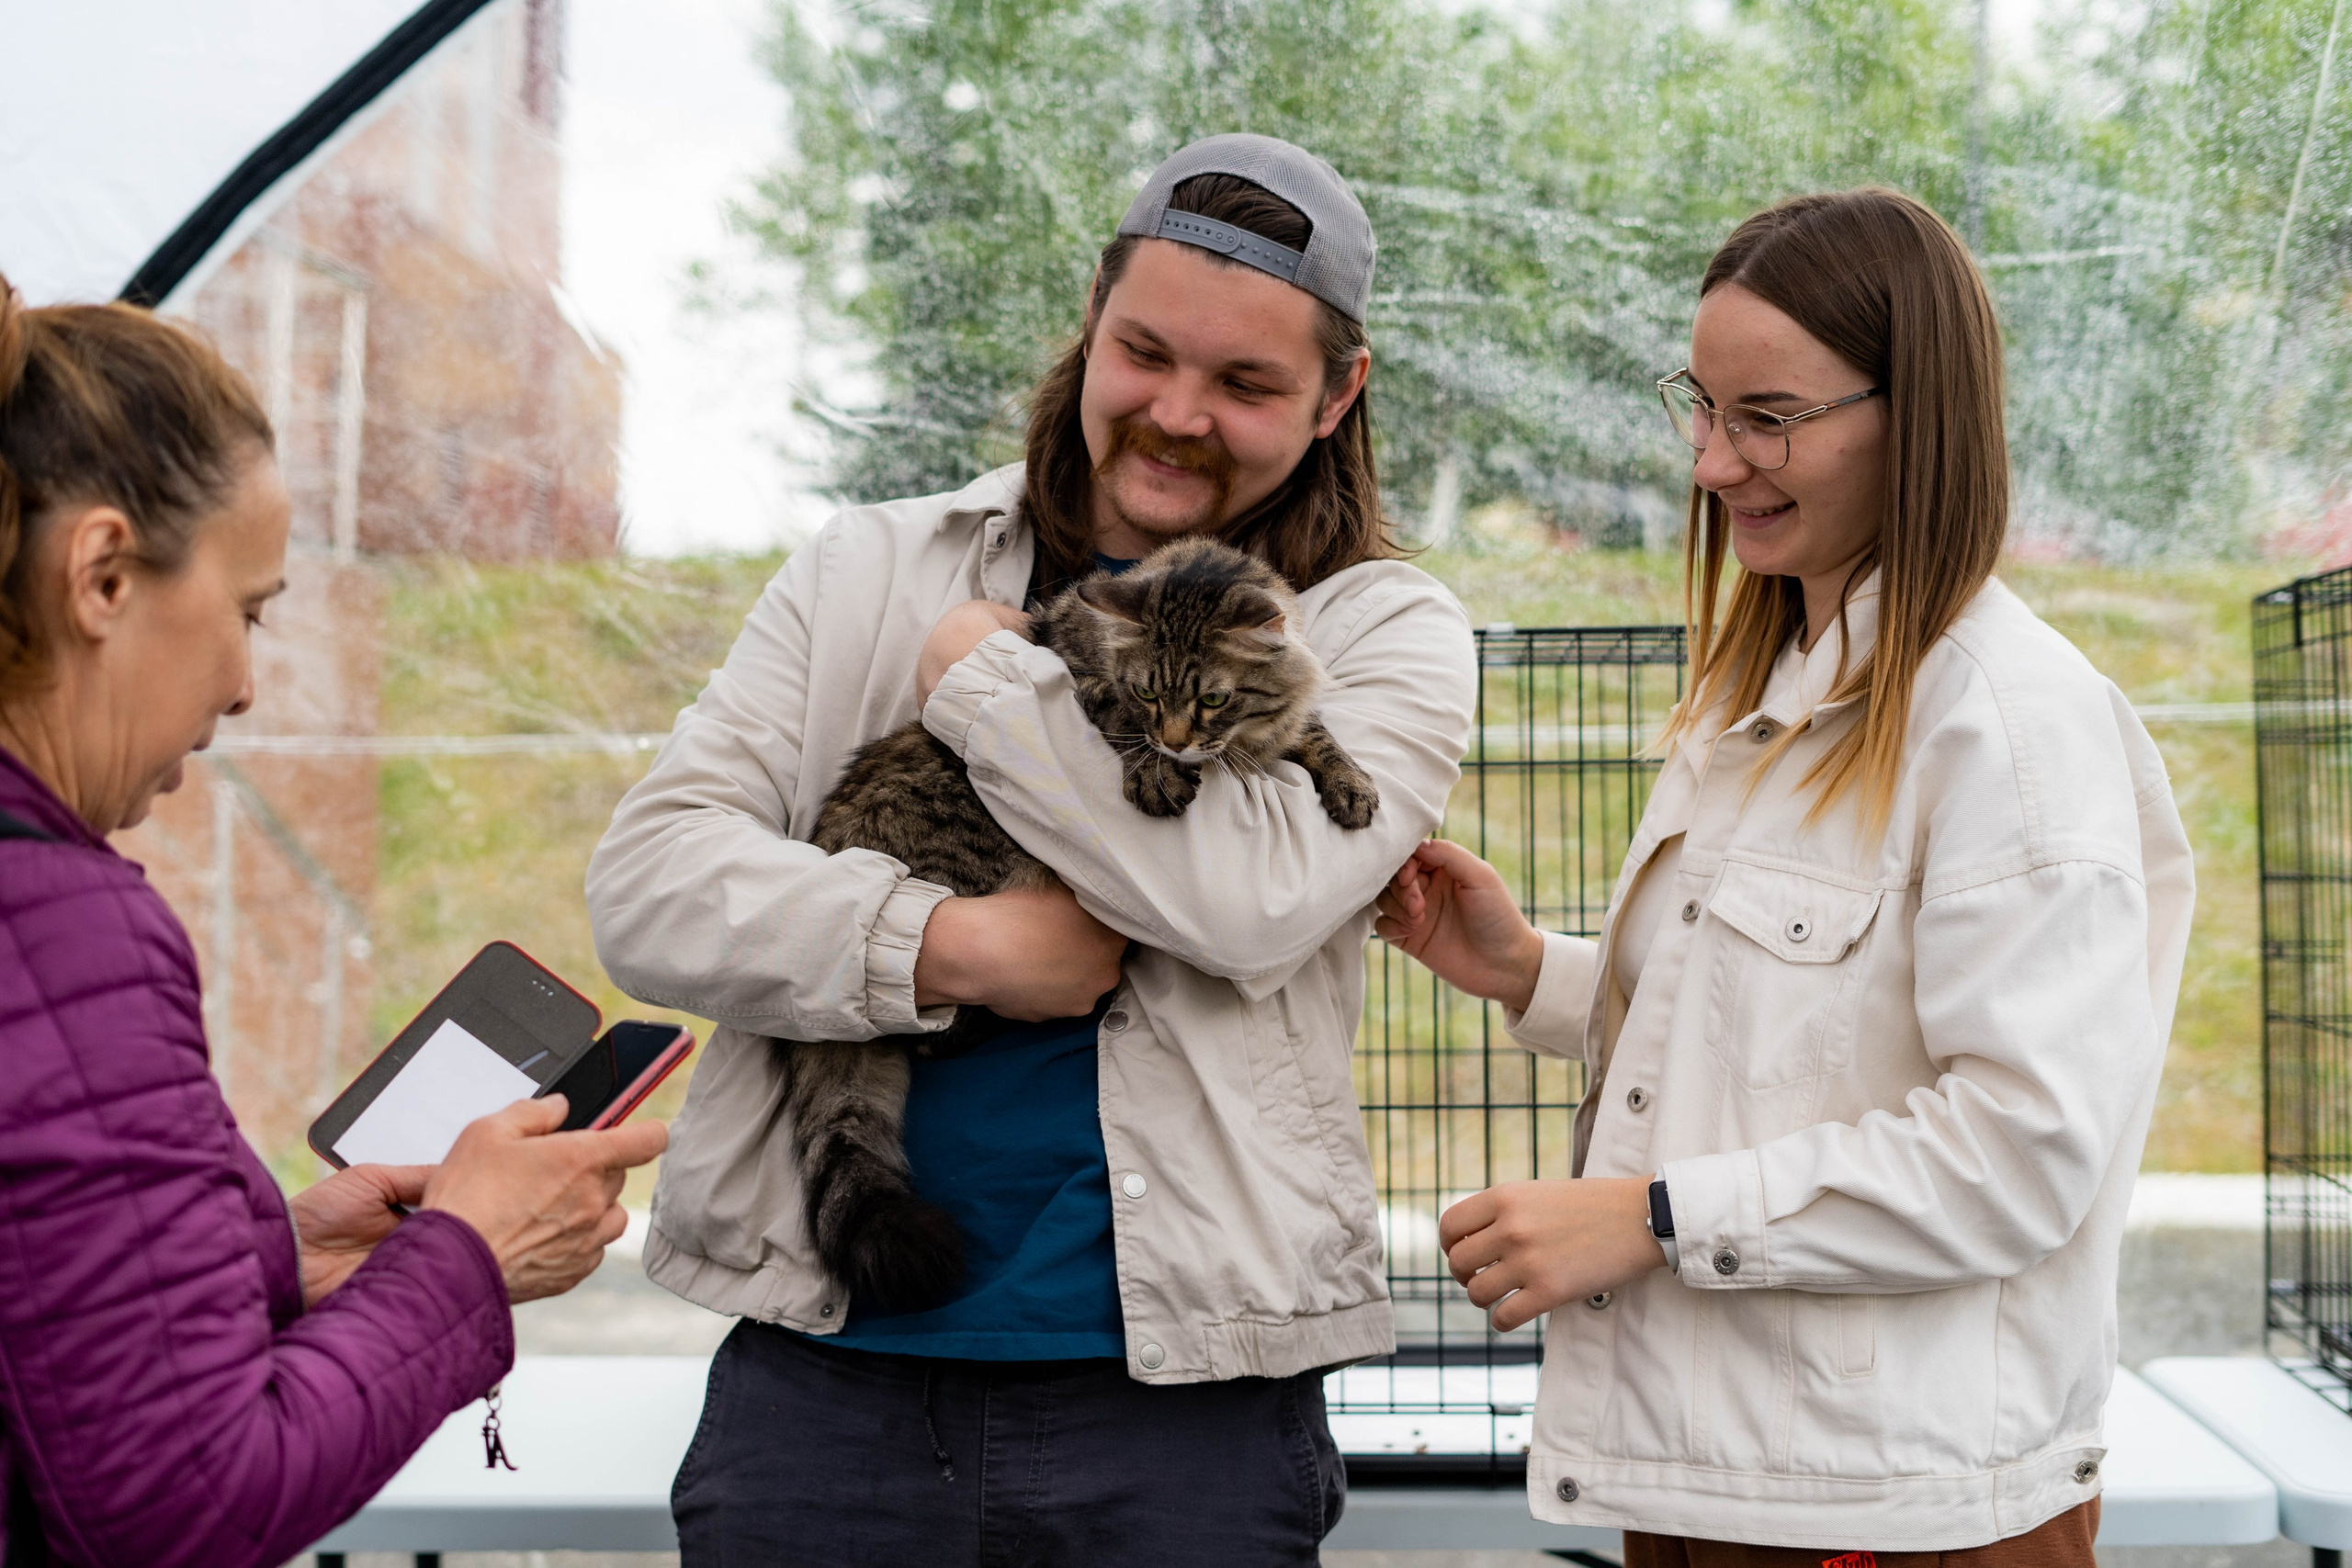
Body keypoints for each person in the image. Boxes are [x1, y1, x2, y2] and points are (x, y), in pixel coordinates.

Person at [586, 134, 1476, 1564]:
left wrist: (988, 685)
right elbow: (651, 889)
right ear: (1091, 317)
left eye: (1246, 384)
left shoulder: (1381, 632)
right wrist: (951, 950)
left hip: (1186, 1418)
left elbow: (1250, 900)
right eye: (1147, 354)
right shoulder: (873, 567)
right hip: (829, 1388)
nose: (1179, 414)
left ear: (1337, 396)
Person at [1374, 188, 2194, 1565]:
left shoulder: (2010, 721)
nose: (1710, 462)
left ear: (1916, 414)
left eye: (1767, 418)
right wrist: (1538, 972)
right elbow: (1810, 1040)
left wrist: (1649, 1218)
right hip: (1724, 1489)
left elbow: (2020, 1152)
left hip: (1899, 1516)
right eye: (1700, 407)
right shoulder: (1774, 689)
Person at [0, 280, 666, 1568]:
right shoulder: (62, 928)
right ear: (103, 575)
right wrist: (467, 1253)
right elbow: (186, 1506)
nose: (247, 686)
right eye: (247, 612)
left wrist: (274, 1262)